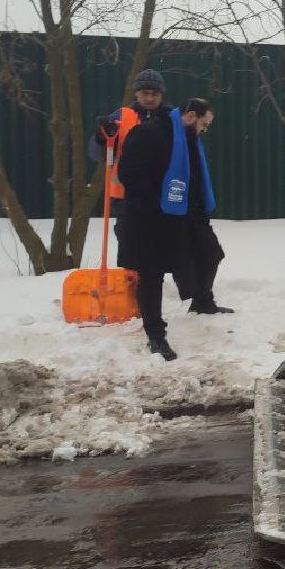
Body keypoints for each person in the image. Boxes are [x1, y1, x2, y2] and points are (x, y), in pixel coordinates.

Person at [117, 98, 229, 362]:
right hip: (150, 218)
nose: (204, 130)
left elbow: (194, 177)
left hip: (185, 215)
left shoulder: (189, 138)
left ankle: (202, 301)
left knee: (210, 253)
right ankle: (156, 335)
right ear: (190, 116)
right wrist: (154, 202)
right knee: (151, 275)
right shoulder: (149, 133)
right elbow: (129, 174)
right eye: (204, 124)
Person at [89, 68, 170, 244]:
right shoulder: (121, 116)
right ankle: (131, 272)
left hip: (163, 195)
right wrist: (101, 139)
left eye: (154, 93)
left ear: (161, 95)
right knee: (130, 244)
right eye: (145, 93)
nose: (149, 98)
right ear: (136, 94)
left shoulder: (172, 119)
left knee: (159, 246)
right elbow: (98, 154)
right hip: (126, 196)